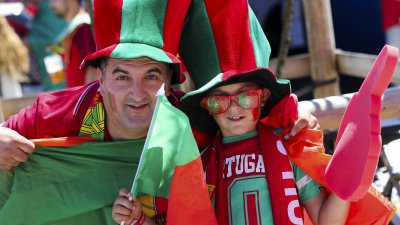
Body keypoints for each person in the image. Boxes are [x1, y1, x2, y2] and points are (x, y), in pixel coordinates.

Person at [0, 0, 318, 224]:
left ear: (170, 82)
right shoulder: (60, 112)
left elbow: (256, 117)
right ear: (101, 78)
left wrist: (298, 115)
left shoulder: (195, 122)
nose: (137, 93)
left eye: (151, 75)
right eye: (122, 76)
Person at [176, 68, 350, 225]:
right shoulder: (199, 165)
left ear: (263, 97)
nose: (234, 108)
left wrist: (350, 177)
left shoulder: (288, 147)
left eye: (246, 97)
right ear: (206, 106)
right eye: (218, 101)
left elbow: (325, 220)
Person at [49, 0, 96, 88]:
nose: (51, 4)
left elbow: (93, 67)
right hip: (76, 97)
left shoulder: (83, 27)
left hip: (85, 98)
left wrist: (88, 100)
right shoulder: (75, 27)